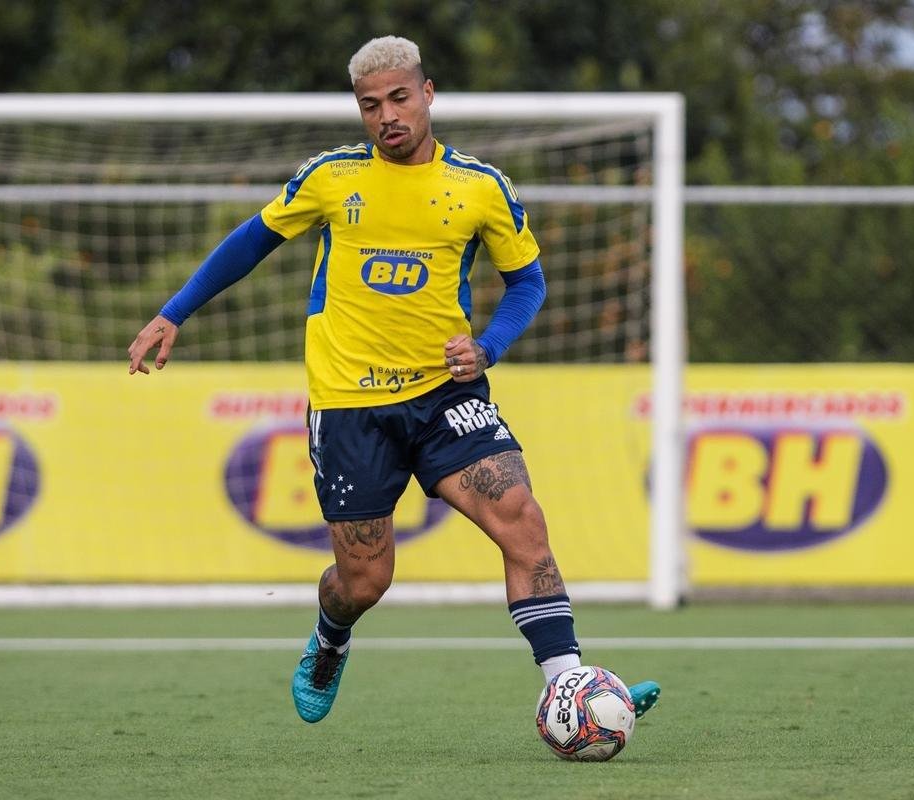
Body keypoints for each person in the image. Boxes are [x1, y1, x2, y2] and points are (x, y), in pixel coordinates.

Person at [127, 35, 660, 725]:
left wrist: (489, 347)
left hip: (446, 395)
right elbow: (251, 241)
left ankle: (571, 685)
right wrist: (174, 313)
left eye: (399, 99)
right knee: (364, 581)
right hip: (350, 406)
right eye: (370, 105)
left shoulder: (478, 187)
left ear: (428, 93)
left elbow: (527, 282)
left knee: (522, 520)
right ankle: (329, 639)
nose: (387, 117)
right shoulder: (331, 177)